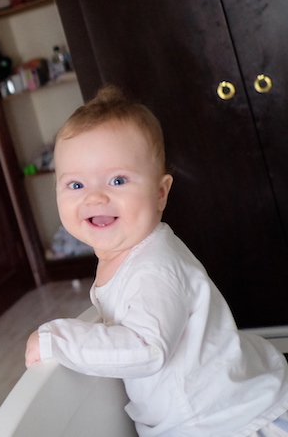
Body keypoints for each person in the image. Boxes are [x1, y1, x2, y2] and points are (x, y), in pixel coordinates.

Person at [24, 86, 288, 436]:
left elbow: (145, 348)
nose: (95, 196)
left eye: (117, 180)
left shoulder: (154, 269)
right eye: (75, 185)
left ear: (160, 192)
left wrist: (56, 339)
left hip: (225, 422)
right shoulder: (130, 252)